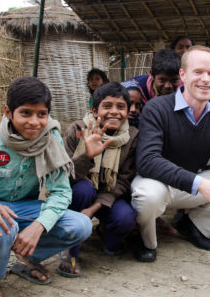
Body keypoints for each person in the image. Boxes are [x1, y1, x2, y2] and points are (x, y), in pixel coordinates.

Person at [0, 77, 92, 297]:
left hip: (25, 207)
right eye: (26, 113)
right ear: (8, 112)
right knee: (3, 226)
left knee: (81, 225)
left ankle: (27, 257)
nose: (35, 122)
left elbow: (61, 192)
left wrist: (39, 226)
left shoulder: (51, 140)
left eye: (42, 114)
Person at [131, 45, 210, 262]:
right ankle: (147, 242)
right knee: (148, 197)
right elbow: (148, 161)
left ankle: (194, 227)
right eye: (198, 72)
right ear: (183, 75)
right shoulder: (156, 107)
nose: (206, 79)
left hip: (193, 181)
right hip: (160, 183)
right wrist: (200, 184)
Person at [58, 82, 138, 277]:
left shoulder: (132, 136)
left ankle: (103, 230)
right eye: (107, 106)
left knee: (125, 219)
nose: (114, 112)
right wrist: (86, 156)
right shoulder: (77, 130)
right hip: (78, 192)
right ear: (94, 110)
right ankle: (70, 249)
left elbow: (124, 181)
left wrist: (94, 209)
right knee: (84, 189)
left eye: (121, 107)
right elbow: (64, 176)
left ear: (127, 112)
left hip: (109, 197)